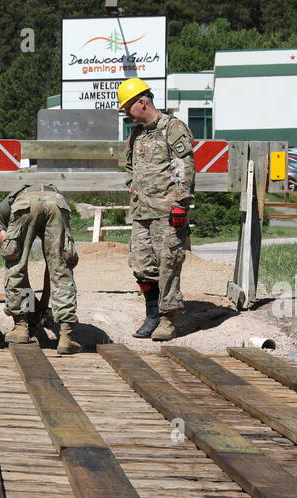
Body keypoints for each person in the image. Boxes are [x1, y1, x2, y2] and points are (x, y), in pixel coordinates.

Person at [119, 77, 196, 341]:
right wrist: (134, 188)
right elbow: (130, 167)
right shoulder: (137, 134)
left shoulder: (172, 127)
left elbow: (183, 167)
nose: (126, 113)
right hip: (142, 213)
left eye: (127, 107)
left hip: (167, 212)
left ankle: (168, 319)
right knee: (141, 265)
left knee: (168, 265)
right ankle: (152, 314)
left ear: (142, 102)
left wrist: (180, 204)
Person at [0, 184, 81, 353]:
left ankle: (20, 329)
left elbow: (19, 267)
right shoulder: (10, 203)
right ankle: (66, 337)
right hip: (57, 203)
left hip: (26, 204)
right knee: (61, 268)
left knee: (16, 265)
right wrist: (39, 305)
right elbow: (52, 270)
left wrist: (28, 310)